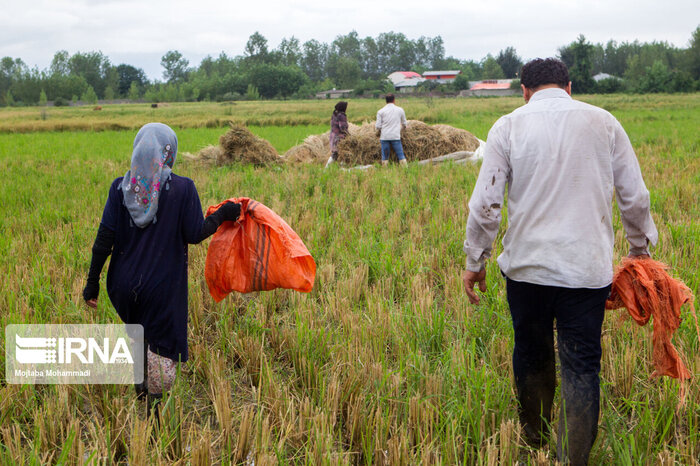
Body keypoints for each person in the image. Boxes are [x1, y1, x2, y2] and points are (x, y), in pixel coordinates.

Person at [461, 58, 657, 465]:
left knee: (532, 353)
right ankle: (573, 457)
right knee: (582, 365)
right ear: (568, 86)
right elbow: (635, 197)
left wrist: (475, 260)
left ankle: (534, 440)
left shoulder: (509, 126)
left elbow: (485, 205)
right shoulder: (604, 122)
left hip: (527, 271)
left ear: (524, 91)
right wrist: (640, 253)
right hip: (586, 273)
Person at [82, 122, 241, 415]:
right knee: (161, 347)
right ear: (169, 153)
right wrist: (224, 214)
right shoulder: (182, 188)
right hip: (162, 286)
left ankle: (140, 394)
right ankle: (155, 415)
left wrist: (92, 284)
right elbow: (195, 233)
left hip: (122, 286)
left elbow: (104, 239)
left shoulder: (120, 187)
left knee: (138, 335)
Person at [375, 94, 408, 166]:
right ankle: (405, 170)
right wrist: (402, 129)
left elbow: (377, 126)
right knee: (401, 155)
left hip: (384, 137)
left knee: (385, 157)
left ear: (386, 101)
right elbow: (405, 123)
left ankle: (385, 171)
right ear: (394, 100)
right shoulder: (400, 110)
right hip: (395, 136)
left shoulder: (380, 111)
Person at [325, 101, 349, 168]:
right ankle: (339, 167)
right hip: (339, 137)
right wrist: (348, 135)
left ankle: (329, 167)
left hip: (333, 136)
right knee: (342, 152)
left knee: (336, 153)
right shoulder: (341, 115)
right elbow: (342, 127)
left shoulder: (334, 114)